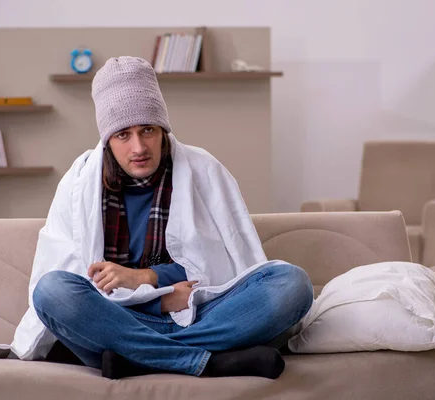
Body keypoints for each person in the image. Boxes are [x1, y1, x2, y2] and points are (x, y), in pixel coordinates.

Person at [24, 57, 313, 379]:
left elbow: (221, 266)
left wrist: (145, 278)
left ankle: (136, 358)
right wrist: (157, 302)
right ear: (108, 138)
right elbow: (76, 276)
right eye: (123, 135)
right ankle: (208, 362)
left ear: (162, 129)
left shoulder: (203, 170)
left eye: (147, 130)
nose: (138, 147)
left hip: (197, 312)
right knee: (52, 291)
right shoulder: (79, 181)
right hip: (118, 316)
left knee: (292, 283)